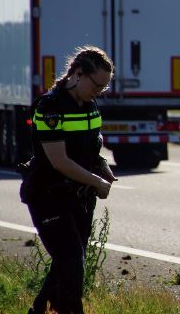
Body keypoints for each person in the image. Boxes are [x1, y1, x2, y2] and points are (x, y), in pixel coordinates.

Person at [22, 46, 117, 314]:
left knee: (68, 261)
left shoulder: (90, 104)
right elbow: (59, 161)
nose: (99, 91)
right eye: (97, 84)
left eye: (104, 87)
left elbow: (89, 147)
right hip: (48, 196)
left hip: (79, 198)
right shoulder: (50, 108)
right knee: (72, 261)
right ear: (78, 74)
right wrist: (97, 182)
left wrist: (101, 165)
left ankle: (39, 309)